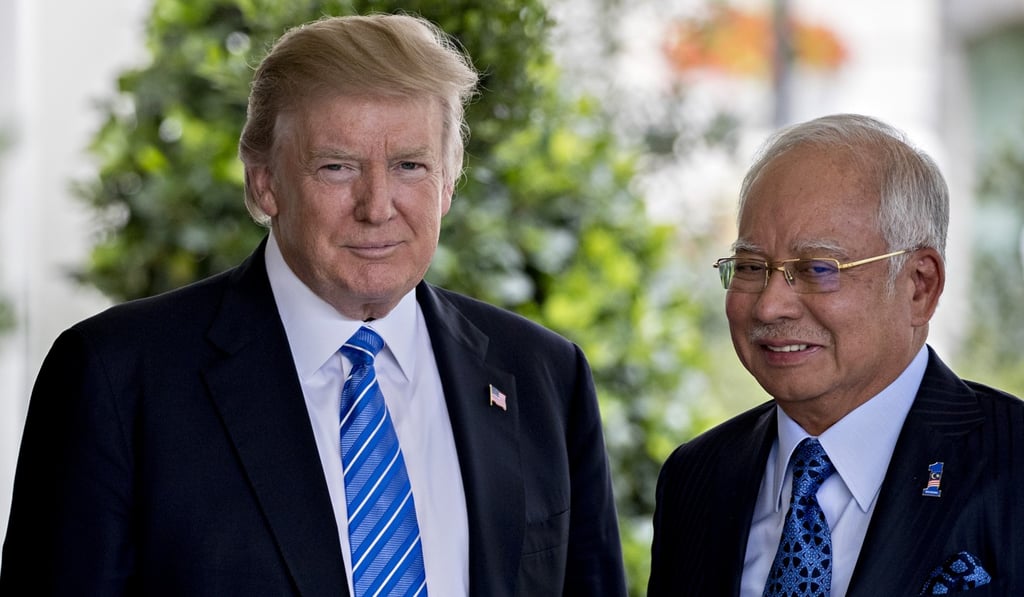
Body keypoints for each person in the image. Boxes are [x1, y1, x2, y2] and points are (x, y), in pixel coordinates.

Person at [1, 14, 627, 597]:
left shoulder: (544, 375)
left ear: (448, 184)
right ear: (264, 181)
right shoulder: (117, 377)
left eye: (410, 165)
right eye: (336, 167)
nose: (377, 206)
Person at [648, 114, 1024, 596]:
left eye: (817, 268)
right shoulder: (697, 476)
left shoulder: (1011, 466)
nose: (770, 305)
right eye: (749, 266)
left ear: (919, 286)